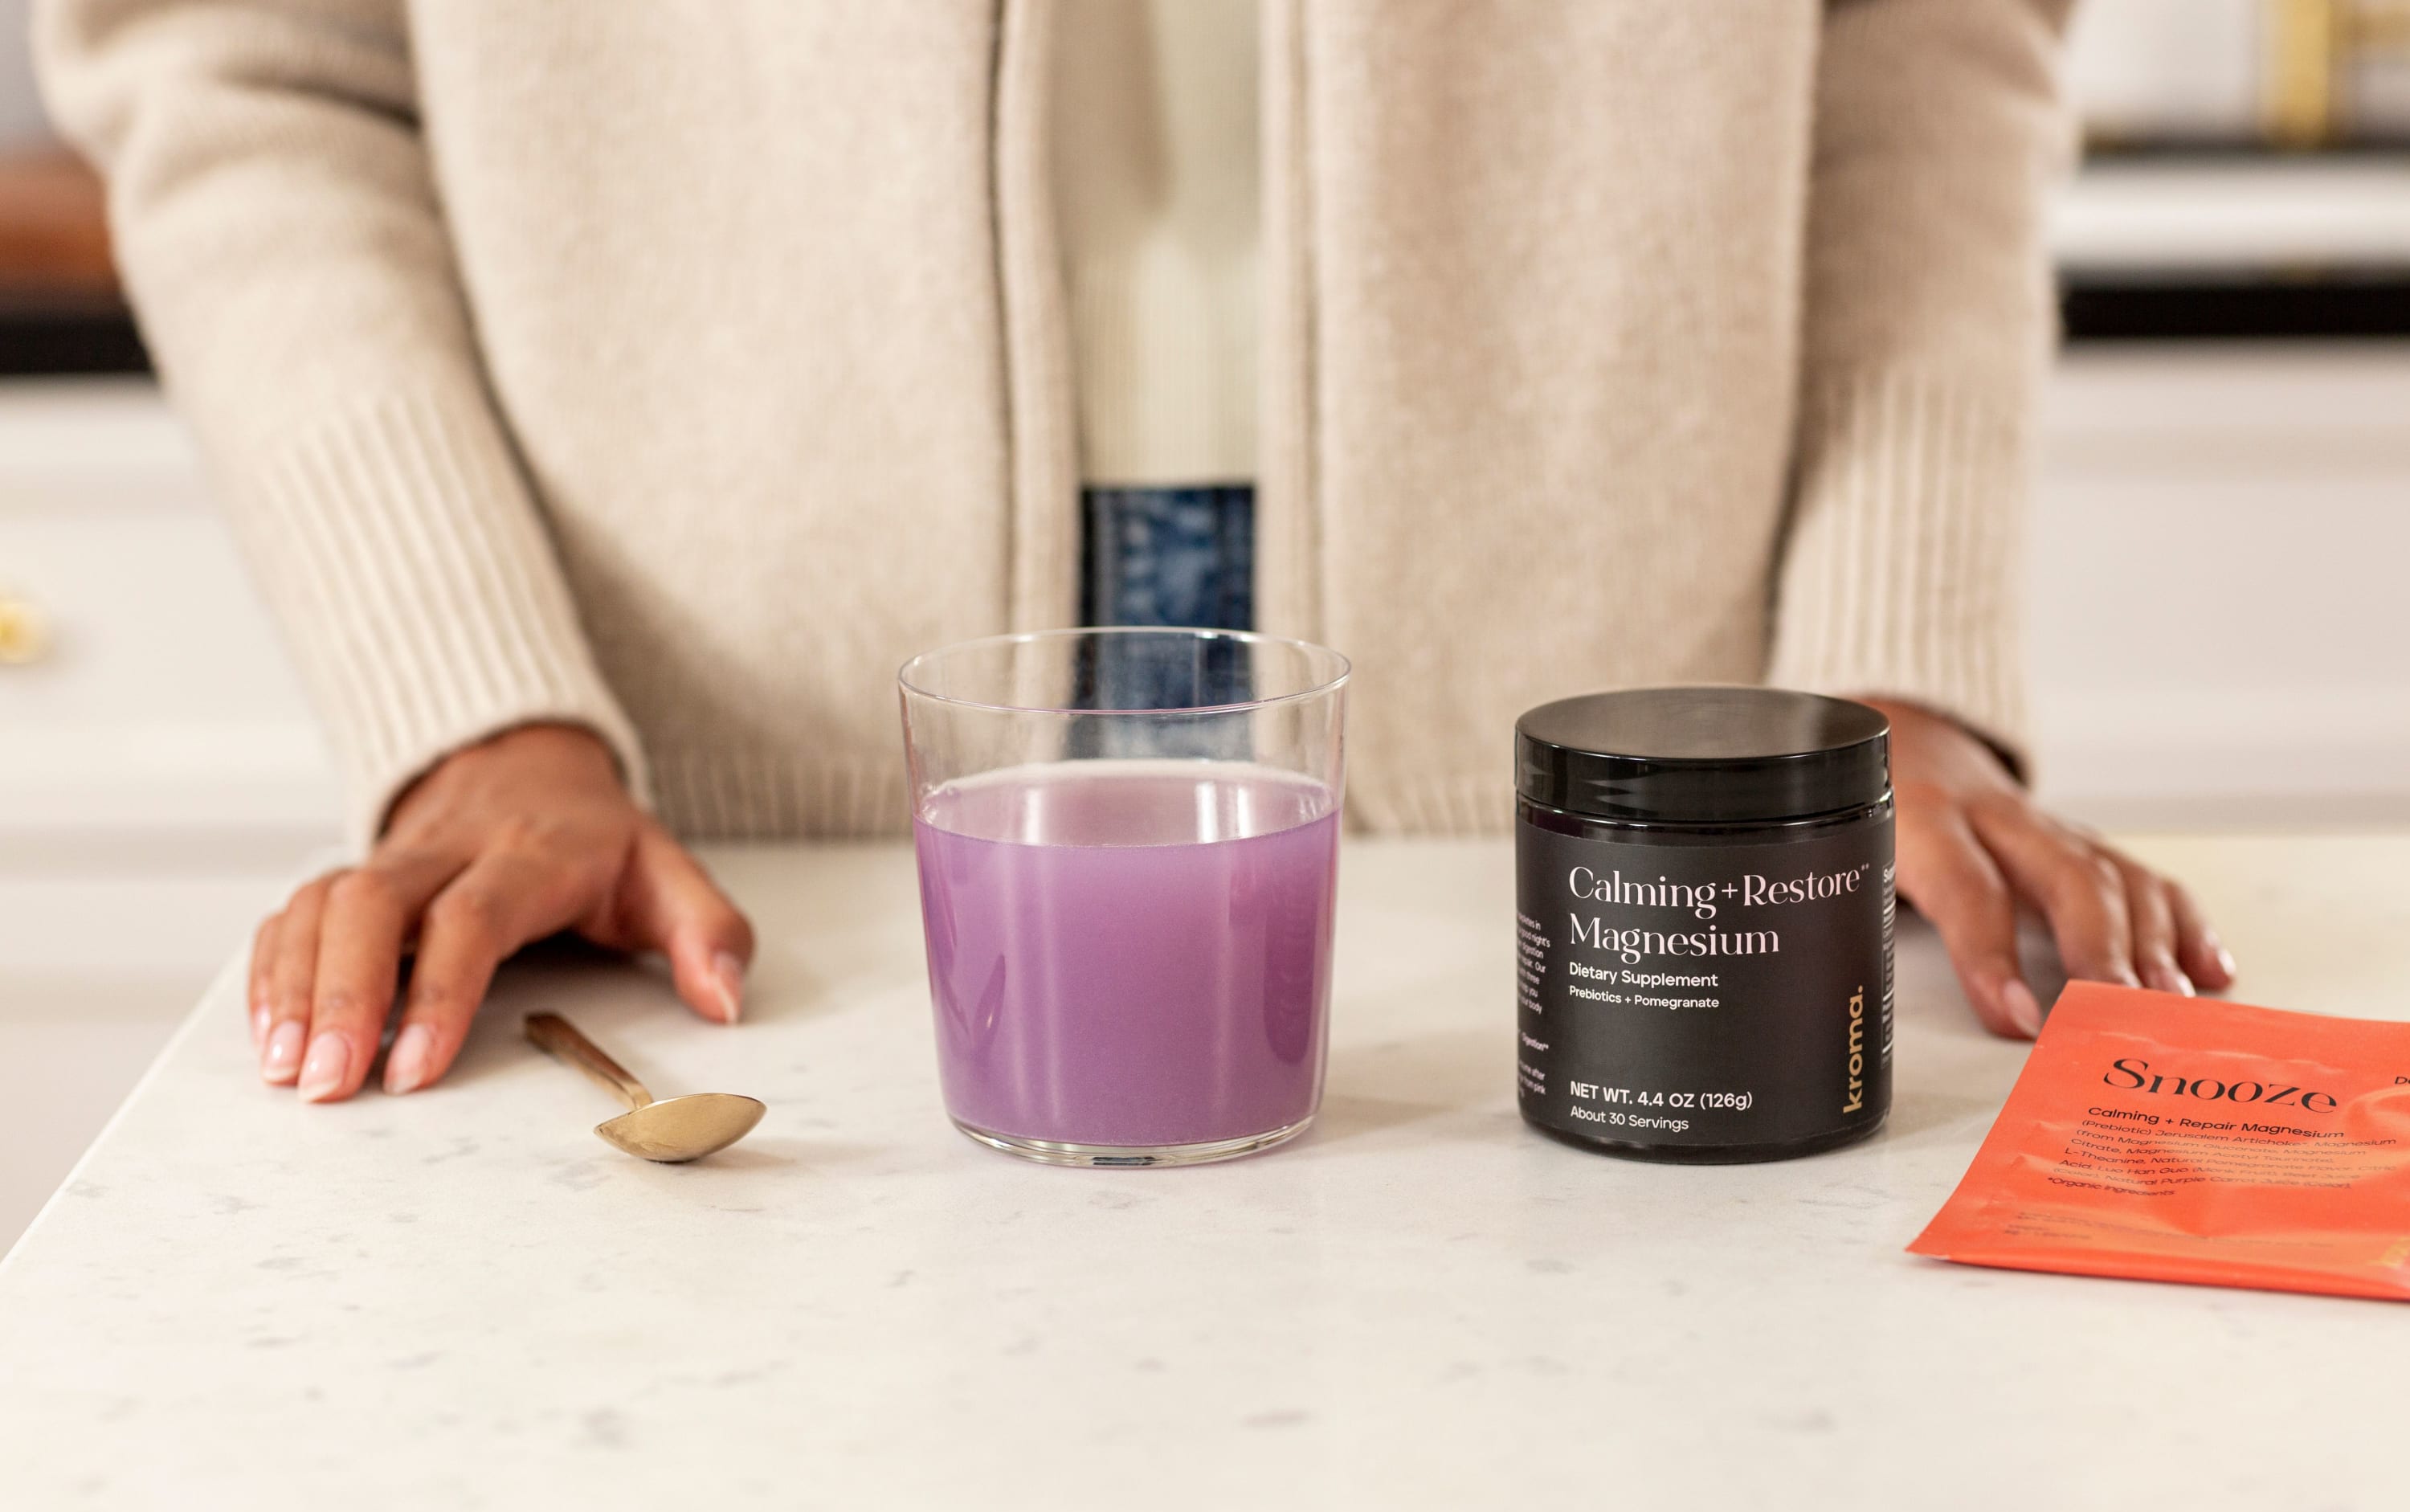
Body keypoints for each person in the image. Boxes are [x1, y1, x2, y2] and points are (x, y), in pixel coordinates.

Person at [37, 1, 2232, 1105]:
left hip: (1612, 817)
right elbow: (250, 62)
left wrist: (1884, 665)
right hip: (708, 841)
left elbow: (1925, 38)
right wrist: (476, 720)